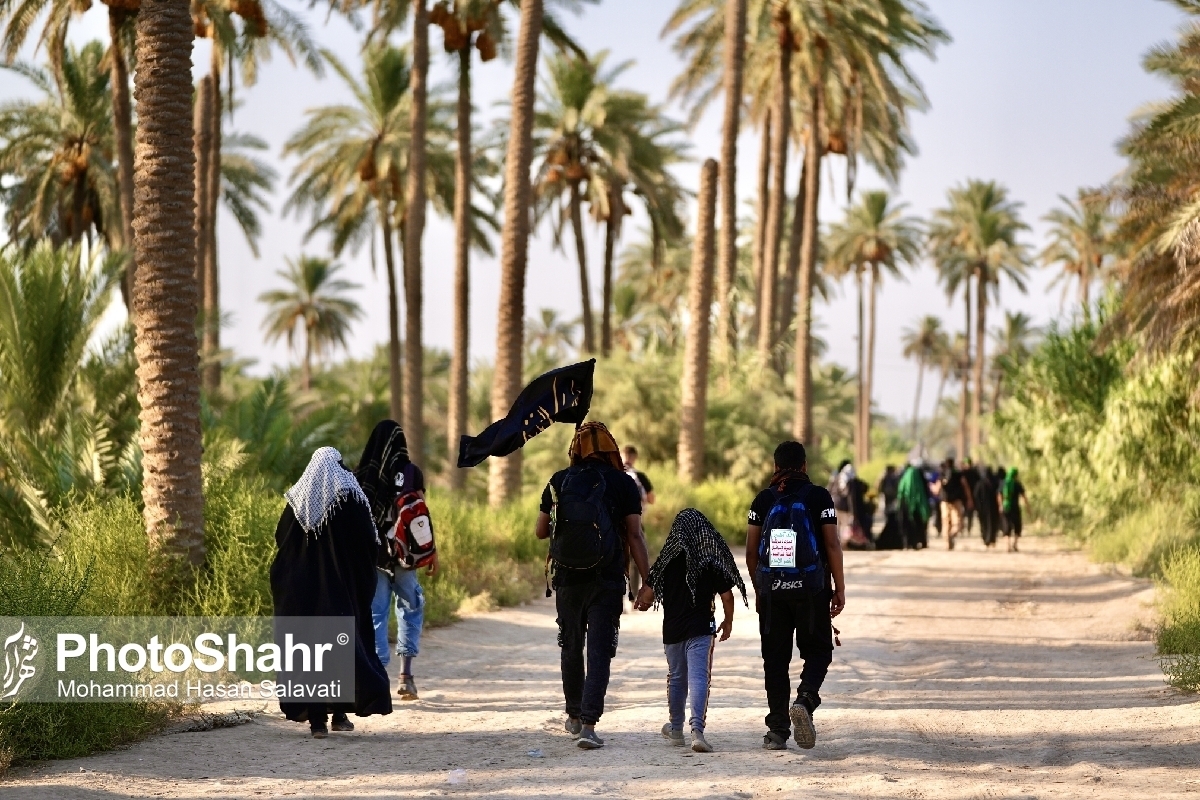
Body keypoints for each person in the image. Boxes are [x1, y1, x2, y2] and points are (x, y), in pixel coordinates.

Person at [536, 421, 652, 750]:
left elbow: (541, 532)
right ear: (612, 451)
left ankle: (573, 715)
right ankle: (588, 725)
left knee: (571, 646)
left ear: (575, 450)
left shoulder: (558, 480)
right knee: (600, 650)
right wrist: (648, 581)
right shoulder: (623, 483)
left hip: (568, 579)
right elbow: (634, 535)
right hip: (607, 578)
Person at [270, 447, 392, 738]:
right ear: (340, 465)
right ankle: (338, 714)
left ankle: (317, 722)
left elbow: (280, 541)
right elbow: (369, 543)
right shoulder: (352, 497)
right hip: (341, 592)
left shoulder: (297, 503)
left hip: (302, 594)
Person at [746, 441, 846, 751]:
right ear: (804, 466)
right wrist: (839, 588)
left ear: (775, 466)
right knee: (818, 650)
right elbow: (831, 545)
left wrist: (760, 589)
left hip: (774, 593)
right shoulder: (819, 497)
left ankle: (777, 731)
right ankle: (805, 699)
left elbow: (751, 553)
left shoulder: (763, 500)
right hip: (812, 590)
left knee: (775, 659)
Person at [643, 509, 746, 753]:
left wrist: (644, 600)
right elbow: (727, 595)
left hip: (673, 630)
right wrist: (728, 620)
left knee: (677, 677)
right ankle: (697, 731)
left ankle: (676, 729)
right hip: (701, 629)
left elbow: (647, 594)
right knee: (699, 677)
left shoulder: (667, 559)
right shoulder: (709, 559)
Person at [356, 420, 437, 701]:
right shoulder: (411, 471)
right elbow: (421, 515)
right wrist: (431, 553)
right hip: (406, 555)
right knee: (410, 607)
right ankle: (406, 676)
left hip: (375, 556)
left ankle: (380, 680)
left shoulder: (363, 473)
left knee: (376, 614)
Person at [622, 445, 654, 604]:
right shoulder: (639, 476)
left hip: (614, 523)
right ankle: (633, 595)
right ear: (635, 457)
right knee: (636, 555)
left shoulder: (613, 474)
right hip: (635, 521)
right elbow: (651, 499)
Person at [939, 458, 974, 551]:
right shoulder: (958, 473)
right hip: (956, 501)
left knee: (946, 523)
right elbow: (965, 486)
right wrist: (969, 499)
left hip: (945, 502)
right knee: (959, 523)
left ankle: (947, 543)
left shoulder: (943, 473)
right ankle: (952, 535)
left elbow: (938, 487)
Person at [896, 463, 931, 549]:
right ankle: (920, 542)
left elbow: (901, 491)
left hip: (906, 504)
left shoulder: (904, 478)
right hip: (919, 505)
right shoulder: (920, 478)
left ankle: (907, 543)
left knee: (907, 524)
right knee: (919, 524)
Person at [998, 468, 1030, 552]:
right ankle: (1015, 544)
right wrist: (1028, 507)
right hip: (1015, 508)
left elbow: (999, 495)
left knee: (1006, 525)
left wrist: (1001, 505)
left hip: (1005, 507)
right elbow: (1024, 496)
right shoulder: (1017, 484)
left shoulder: (1003, 483)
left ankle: (1007, 545)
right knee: (1017, 525)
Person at [972, 465, 1001, 548]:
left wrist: (978, 505)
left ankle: (986, 539)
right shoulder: (995, 482)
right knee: (993, 523)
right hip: (993, 507)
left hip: (982, 507)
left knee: (984, 524)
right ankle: (992, 539)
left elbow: (976, 495)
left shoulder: (980, 484)